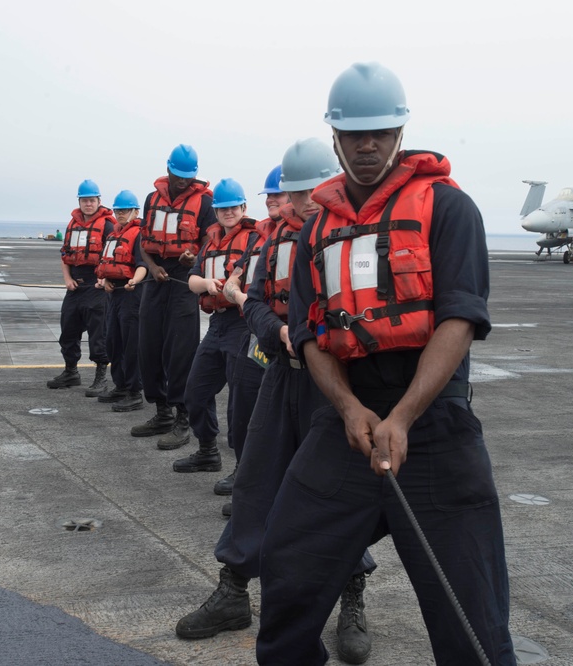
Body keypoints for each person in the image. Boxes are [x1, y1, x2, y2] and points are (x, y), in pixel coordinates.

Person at [256, 62, 515, 665]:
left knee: (471, 612)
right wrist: (348, 409)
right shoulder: (315, 228)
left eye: (380, 132)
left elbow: (458, 320)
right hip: (344, 422)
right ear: (336, 139)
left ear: (401, 133)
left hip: (434, 423)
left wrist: (401, 417)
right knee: (289, 564)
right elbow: (310, 332)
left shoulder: (450, 210)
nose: (367, 145)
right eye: (354, 135)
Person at [174, 140, 375, 665]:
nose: (297, 203)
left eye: (306, 191)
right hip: (282, 376)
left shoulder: (354, 236)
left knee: (341, 494)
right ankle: (234, 590)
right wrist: (280, 333)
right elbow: (257, 301)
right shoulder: (278, 239)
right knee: (255, 481)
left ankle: (351, 598)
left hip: (333, 385)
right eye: (291, 194)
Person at [169, 178, 264, 477]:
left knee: (240, 401)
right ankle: (208, 452)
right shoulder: (209, 242)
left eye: (233, 207)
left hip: (243, 326)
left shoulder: (254, 240)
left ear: (244, 207)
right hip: (217, 325)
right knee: (195, 390)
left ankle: (243, 468)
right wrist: (208, 284)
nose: (228, 213)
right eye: (222, 208)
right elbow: (193, 279)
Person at [131, 145, 217, 443]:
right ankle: (161, 410)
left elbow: (207, 242)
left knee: (181, 349)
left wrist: (193, 257)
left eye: (187, 177)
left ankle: (183, 415)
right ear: (168, 170)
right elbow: (143, 242)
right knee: (149, 345)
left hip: (183, 278)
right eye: (178, 176)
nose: (182, 182)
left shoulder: (204, 203)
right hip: (156, 278)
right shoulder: (151, 199)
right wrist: (152, 267)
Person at [48, 180, 115, 394]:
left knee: (99, 334)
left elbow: (113, 256)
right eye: (85, 200)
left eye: (92, 200)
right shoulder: (72, 224)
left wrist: (104, 279)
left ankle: (101, 377)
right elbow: (65, 255)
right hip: (75, 286)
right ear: (79, 201)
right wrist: (67, 279)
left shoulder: (107, 225)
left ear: (99, 201)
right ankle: (71, 372)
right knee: (68, 330)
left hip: (97, 286)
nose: (88, 204)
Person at [94, 190, 147, 412]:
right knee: (113, 342)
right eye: (118, 210)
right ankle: (121, 385)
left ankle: (134, 392)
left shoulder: (139, 235)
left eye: (125, 210)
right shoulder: (113, 236)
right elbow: (106, 263)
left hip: (131, 295)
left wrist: (134, 281)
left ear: (136, 211)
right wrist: (104, 279)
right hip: (113, 294)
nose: (121, 214)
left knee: (131, 344)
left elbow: (143, 264)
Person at [256, 165, 289, 240]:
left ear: (293, 196)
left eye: (277, 195)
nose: (269, 200)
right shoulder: (257, 236)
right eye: (268, 195)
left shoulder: (304, 232)